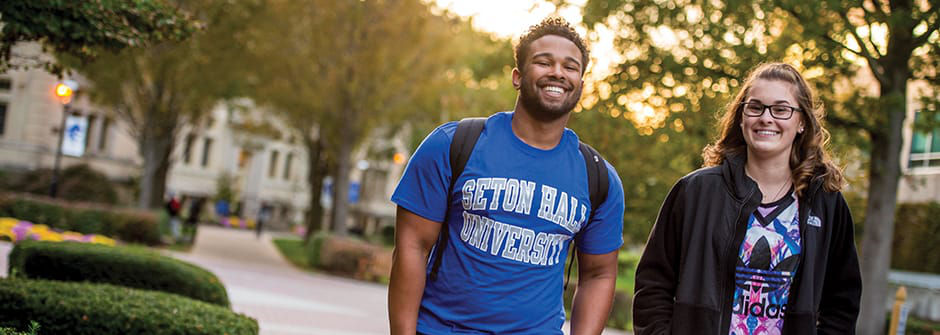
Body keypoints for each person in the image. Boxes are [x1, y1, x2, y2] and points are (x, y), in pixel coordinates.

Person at [388, 17, 625, 335]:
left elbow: (599, 274)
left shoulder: (599, 178)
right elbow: (412, 246)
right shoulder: (452, 144)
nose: (557, 72)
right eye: (544, 62)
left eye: (570, 67)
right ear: (518, 76)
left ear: (581, 83)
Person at [633, 63, 862, 335]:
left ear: (801, 122)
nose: (766, 118)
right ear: (741, 117)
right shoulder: (695, 192)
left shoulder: (826, 204)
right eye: (755, 107)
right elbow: (653, 283)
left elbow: (842, 301)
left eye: (781, 109)